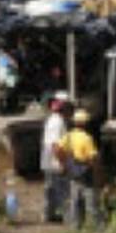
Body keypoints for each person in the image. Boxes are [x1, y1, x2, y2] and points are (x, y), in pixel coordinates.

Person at [57, 109, 101, 229]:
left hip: (73, 171)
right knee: (91, 201)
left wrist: (63, 164)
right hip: (86, 172)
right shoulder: (87, 138)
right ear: (85, 123)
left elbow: (58, 149)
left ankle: (75, 227)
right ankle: (98, 229)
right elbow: (93, 158)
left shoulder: (69, 136)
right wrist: (97, 176)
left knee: (75, 200)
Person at [39, 93, 69, 223]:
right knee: (61, 187)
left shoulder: (51, 119)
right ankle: (67, 216)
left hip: (47, 155)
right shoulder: (58, 121)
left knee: (50, 186)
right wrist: (62, 162)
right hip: (53, 156)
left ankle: (48, 214)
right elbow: (56, 145)